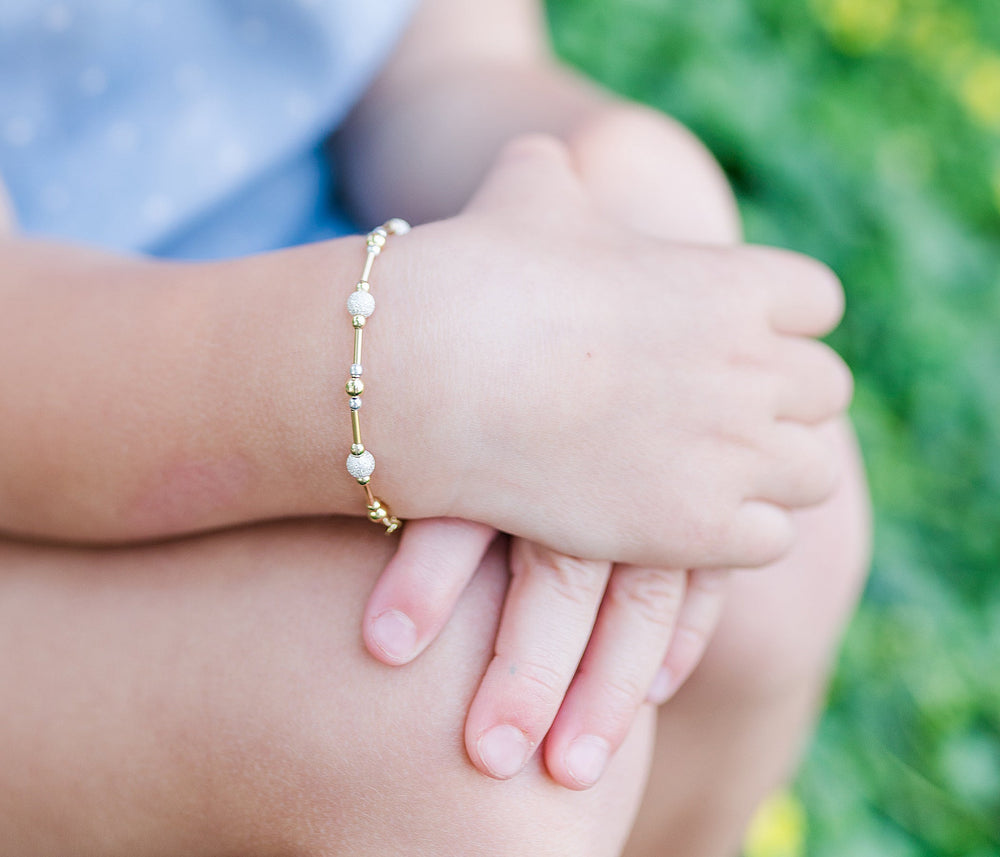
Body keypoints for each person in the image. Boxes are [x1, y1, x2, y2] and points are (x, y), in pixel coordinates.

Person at [0, 1, 871, 854]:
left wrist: (618, 187)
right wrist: (416, 359)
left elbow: (443, 68)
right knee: (464, 744)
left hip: (298, 277)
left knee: (777, 525)